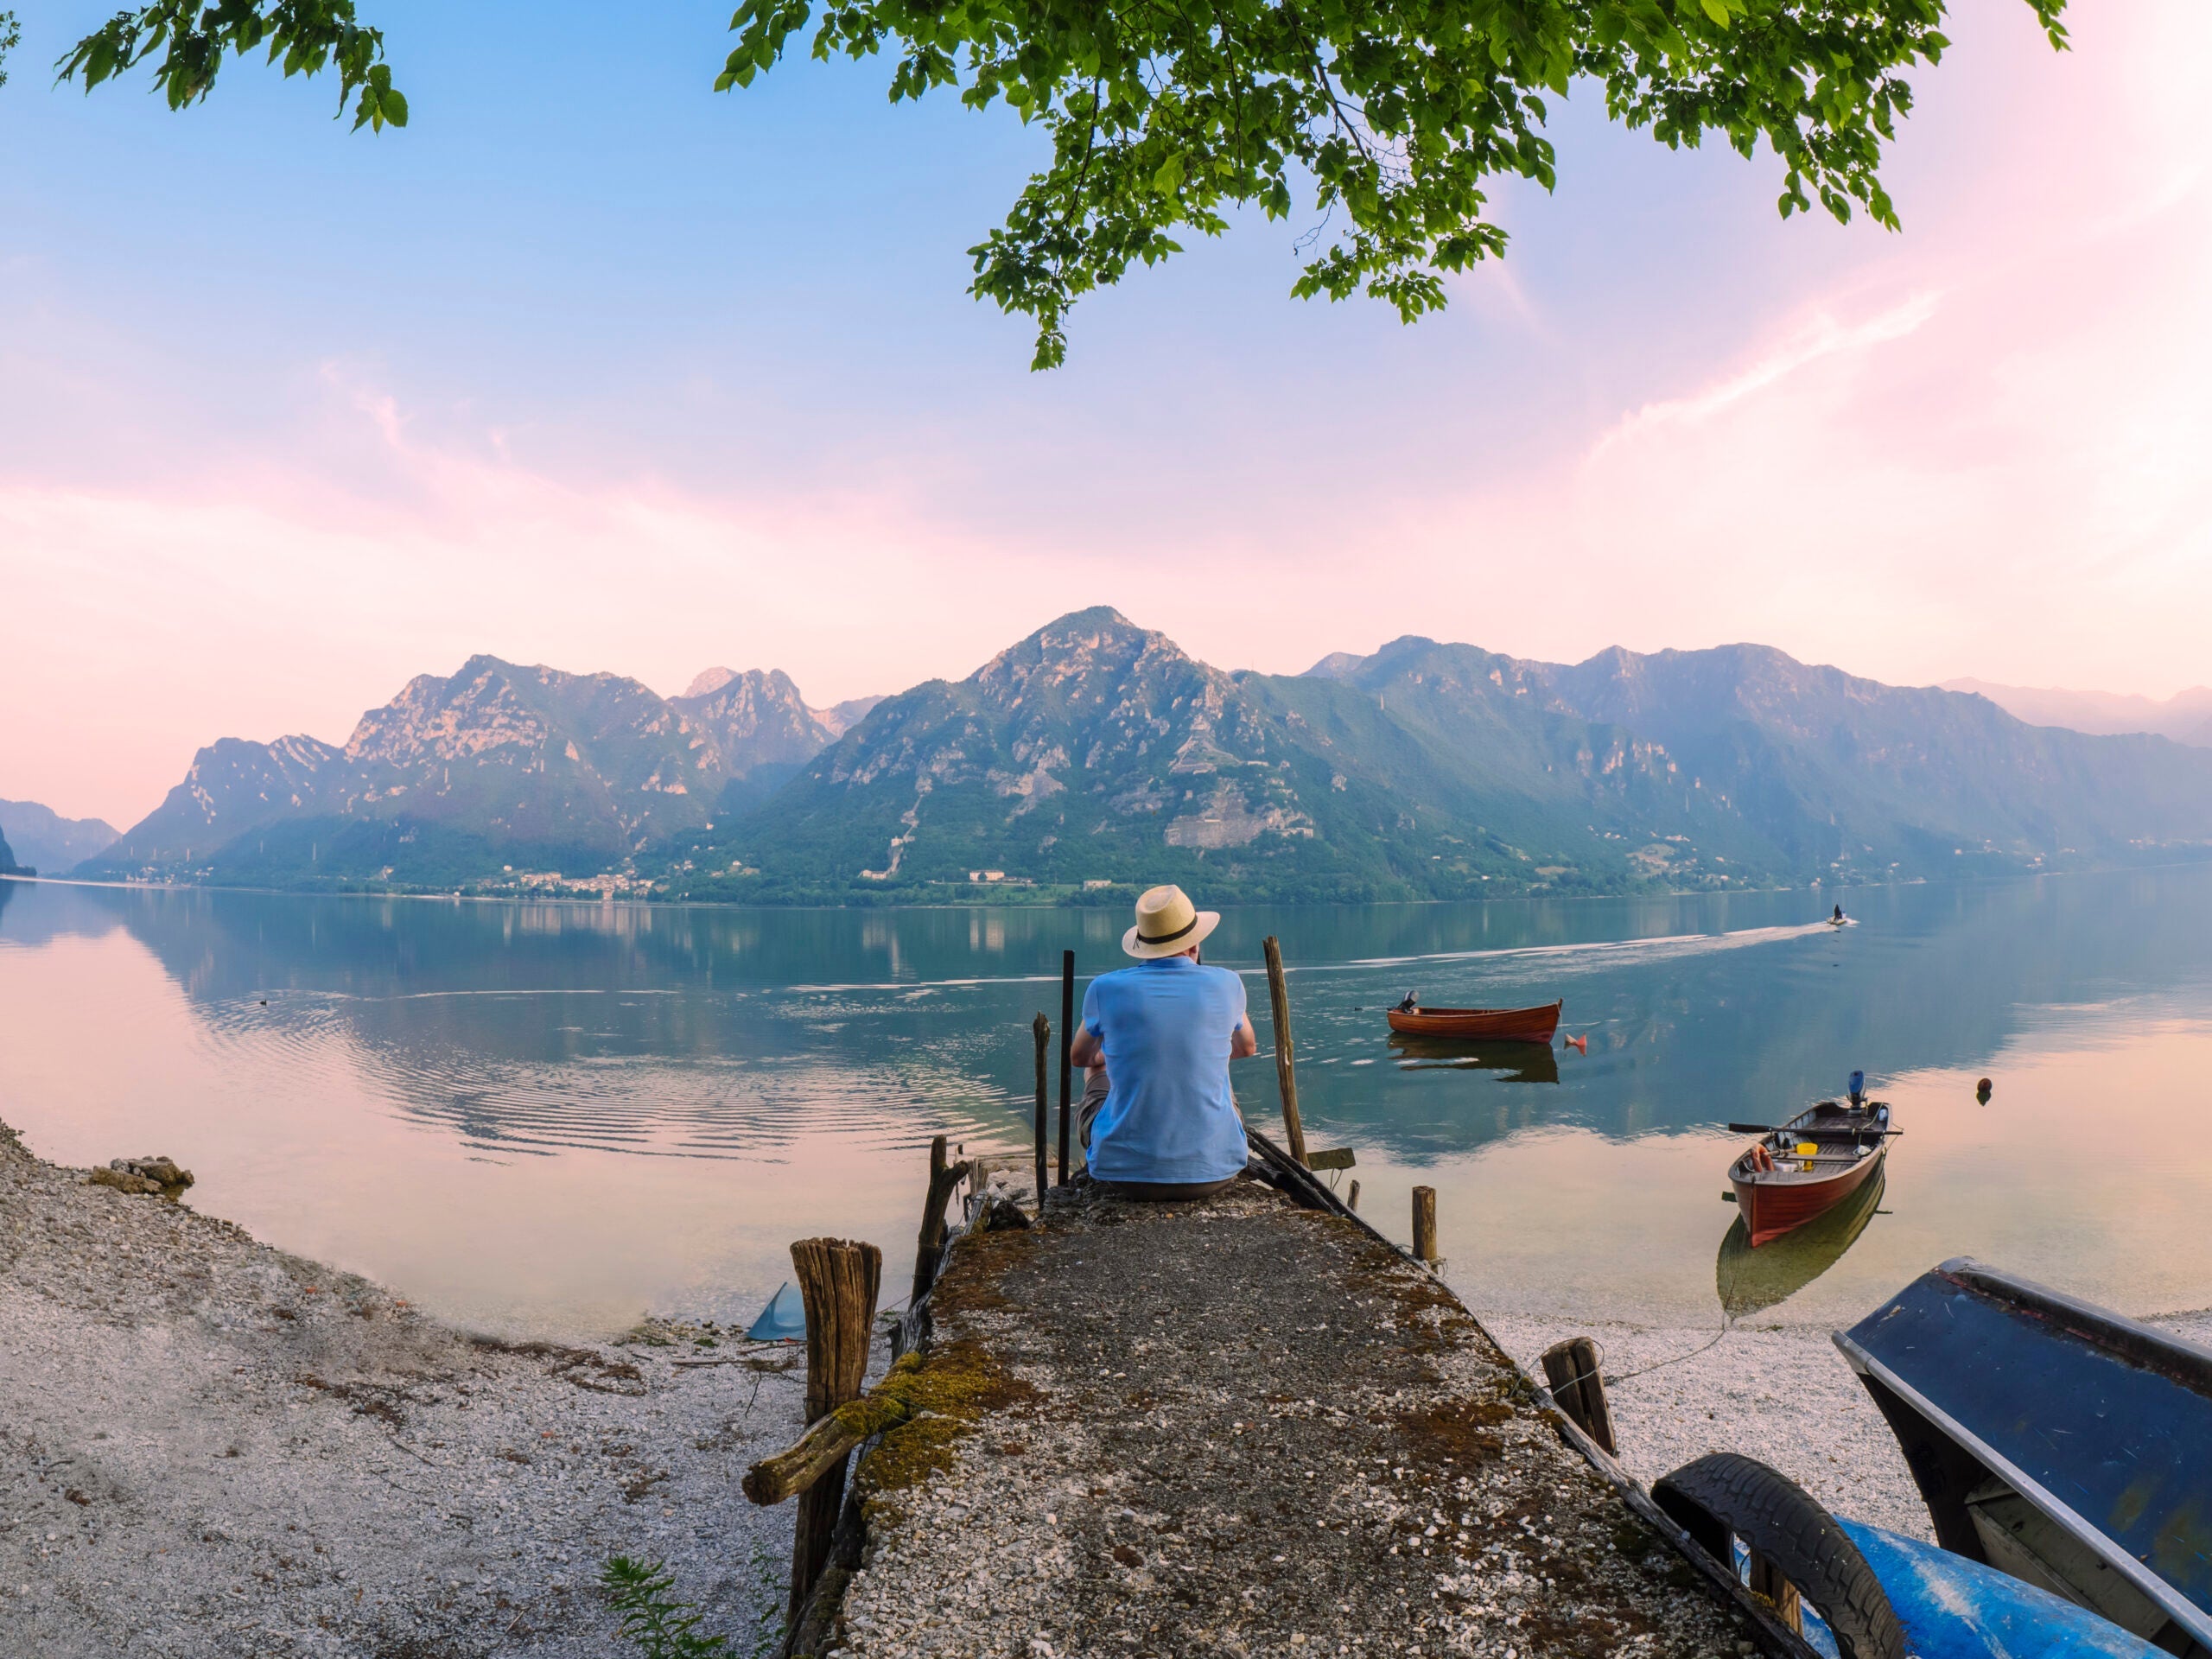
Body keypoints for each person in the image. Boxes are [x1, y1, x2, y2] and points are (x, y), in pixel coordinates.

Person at [1068, 884, 1259, 1199]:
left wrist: (1117, 1057)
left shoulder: (1105, 987)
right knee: (1216, 1066)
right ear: (1194, 944)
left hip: (1124, 1176)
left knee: (1096, 1073)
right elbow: (1246, 1048)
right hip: (1215, 1173)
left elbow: (1079, 1058)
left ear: (1143, 945)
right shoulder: (1228, 982)